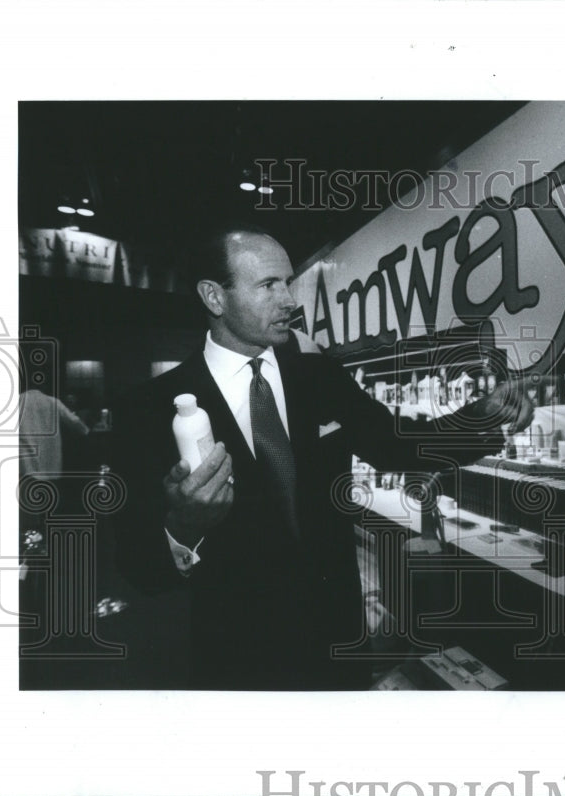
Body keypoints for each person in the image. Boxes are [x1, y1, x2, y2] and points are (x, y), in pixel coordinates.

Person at [112, 226, 532, 690]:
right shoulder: (149, 410)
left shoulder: (320, 376)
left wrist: (482, 417)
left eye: (288, 282)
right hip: (241, 657)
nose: (290, 300)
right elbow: (138, 567)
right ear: (214, 296)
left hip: (337, 640)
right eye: (269, 285)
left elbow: (396, 443)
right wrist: (184, 525)